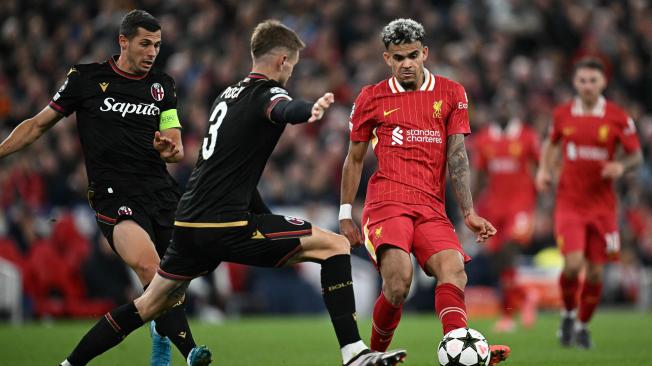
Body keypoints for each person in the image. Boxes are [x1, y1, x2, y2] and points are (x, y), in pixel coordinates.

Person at [57, 20, 407, 366]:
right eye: (293, 66)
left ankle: (70, 364)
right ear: (282, 61)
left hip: (189, 225)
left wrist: (268, 218)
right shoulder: (266, 92)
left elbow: (235, 174)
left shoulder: (228, 94)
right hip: (226, 225)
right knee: (336, 246)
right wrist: (308, 111)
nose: (291, 74)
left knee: (147, 305)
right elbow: (283, 107)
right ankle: (353, 353)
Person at [0, 9, 202, 366]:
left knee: (171, 285)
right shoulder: (86, 79)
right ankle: (192, 354)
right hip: (114, 196)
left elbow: (176, 144)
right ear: (123, 41)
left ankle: (159, 329)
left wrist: (171, 149)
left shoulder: (163, 86)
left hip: (161, 193)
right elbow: (37, 125)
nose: (153, 52)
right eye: (145, 43)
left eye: (157, 44)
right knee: (150, 270)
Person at [338, 18, 510, 365]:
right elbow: (354, 159)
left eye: (413, 55)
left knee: (453, 270)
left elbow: (457, 155)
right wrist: (345, 213)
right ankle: (372, 357)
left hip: (431, 205)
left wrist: (468, 212)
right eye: (398, 57)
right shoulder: (371, 98)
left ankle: (463, 350)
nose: (406, 64)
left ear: (425, 53)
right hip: (387, 202)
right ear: (387, 58)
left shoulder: (451, 92)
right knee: (399, 282)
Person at [536, 57, 642, 349]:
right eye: (582, 80)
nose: (587, 86)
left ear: (603, 82)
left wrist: (621, 167)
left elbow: (636, 155)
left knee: (596, 272)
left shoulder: (618, 117)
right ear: (575, 82)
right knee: (572, 265)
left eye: (592, 81)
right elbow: (550, 143)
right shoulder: (562, 114)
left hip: (603, 207)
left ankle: (582, 326)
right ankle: (568, 313)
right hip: (570, 202)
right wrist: (544, 170)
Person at [471, 97, 540, 332]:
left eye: (507, 105)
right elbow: (480, 175)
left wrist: (541, 200)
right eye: (499, 105)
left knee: (509, 252)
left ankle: (507, 316)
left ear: (514, 109)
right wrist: (470, 206)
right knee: (497, 261)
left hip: (520, 206)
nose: (503, 109)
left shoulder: (527, 137)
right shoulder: (484, 140)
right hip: (493, 208)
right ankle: (526, 295)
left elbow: (541, 169)